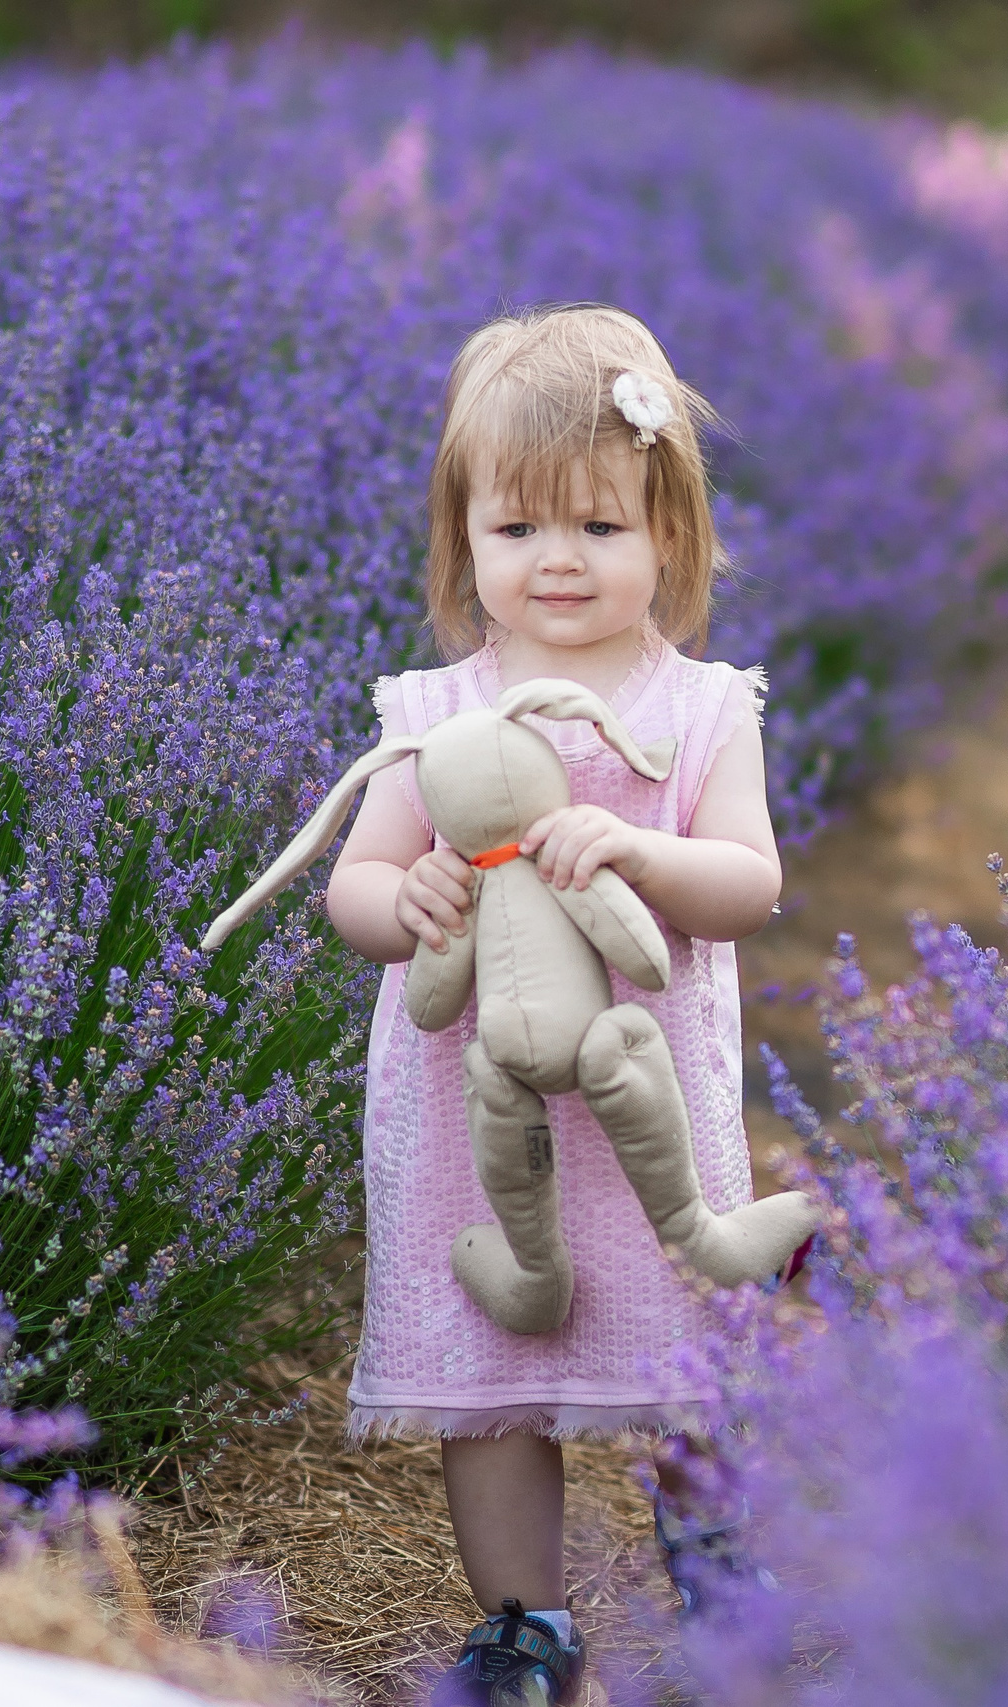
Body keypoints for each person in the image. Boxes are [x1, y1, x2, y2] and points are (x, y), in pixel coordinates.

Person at [324, 304, 795, 1705]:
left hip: (645, 1103)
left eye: (599, 525)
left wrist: (643, 853)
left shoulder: (702, 710)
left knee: (685, 1339)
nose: (559, 560)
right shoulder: (434, 715)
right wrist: (404, 899)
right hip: (480, 1109)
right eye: (517, 528)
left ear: (671, 537)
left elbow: (749, 880)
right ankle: (525, 1626)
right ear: (462, 541)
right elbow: (355, 885)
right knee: (491, 1370)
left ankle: (719, 1572)